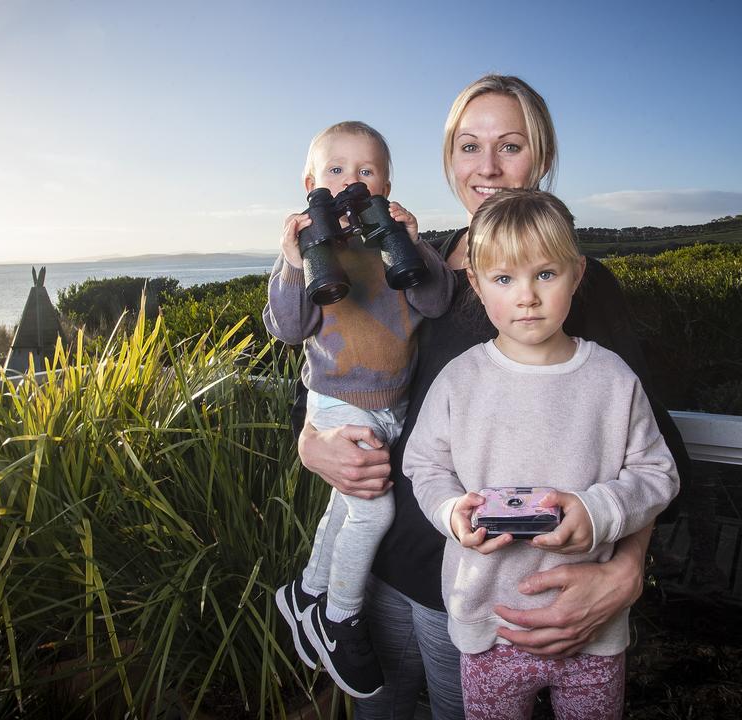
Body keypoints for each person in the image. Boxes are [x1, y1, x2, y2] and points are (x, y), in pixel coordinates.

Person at [294, 75, 693, 718]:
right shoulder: (409, 261)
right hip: (376, 556)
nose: (488, 168)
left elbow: (651, 453)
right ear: (449, 157)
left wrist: (625, 572)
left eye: (510, 146)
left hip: (483, 583)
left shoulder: (575, 286)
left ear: (542, 156)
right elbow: (336, 364)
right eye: (469, 147)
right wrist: (311, 443)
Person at [403, 189, 678, 718]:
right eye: (504, 279)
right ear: (477, 286)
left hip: (591, 633)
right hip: (488, 627)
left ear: (576, 275)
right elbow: (425, 466)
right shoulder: (459, 380)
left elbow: (657, 473)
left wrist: (598, 512)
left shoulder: (612, 378)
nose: (526, 296)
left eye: (545, 275)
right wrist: (448, 511)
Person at [264, 120, 455, 698]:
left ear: (387, 183)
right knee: (372, 511)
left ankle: (306, 593)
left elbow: (438, 301)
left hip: (391, 406)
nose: (351, 182)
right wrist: (295, 261)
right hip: (336, 401)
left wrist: (413, 243)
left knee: (348, 508)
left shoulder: (391, 246)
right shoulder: (315, 255)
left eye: (366, 172)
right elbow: (289, 329)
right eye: (336, 171)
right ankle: (339, 619)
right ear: (310, 184)